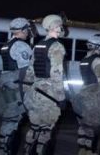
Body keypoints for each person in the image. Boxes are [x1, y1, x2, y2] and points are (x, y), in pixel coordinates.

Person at [22, 14, 66, 155]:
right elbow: (56, 74)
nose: (62, 27)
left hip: (35, 92)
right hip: (49, 94)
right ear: (55, 26)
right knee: (46, 130)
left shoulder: (38, 45)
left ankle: (27, 151)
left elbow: (30, 70)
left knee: (35, 127)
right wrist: (61, 97)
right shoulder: (57, 46)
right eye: (60, 25)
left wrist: (26, 91)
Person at [0, 17, 34, 155]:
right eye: (27, 29)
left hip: (9, 87)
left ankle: (3, 149)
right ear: (22, 30)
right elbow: (26, 70)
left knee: (9, 121)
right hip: (18, 88)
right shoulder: (21, 46)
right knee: (14, 122)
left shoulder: (7, 44)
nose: (28, 32)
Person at [74, 35, 100, 155]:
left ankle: (82, 150)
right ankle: (90, 151)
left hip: (83, 93)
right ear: (98, 47)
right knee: (93, 126)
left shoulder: (84, 60)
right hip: (94, 95)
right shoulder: (98, 60)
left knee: (83, 126)